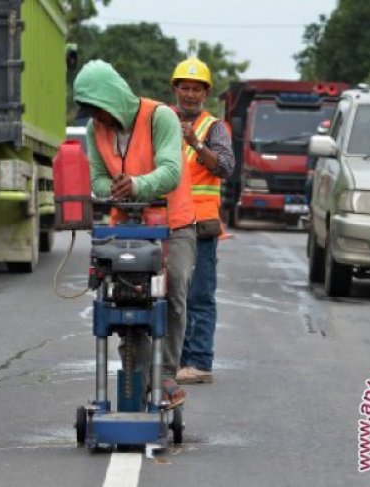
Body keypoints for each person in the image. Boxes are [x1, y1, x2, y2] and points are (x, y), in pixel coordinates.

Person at [73, 60, 196, 407]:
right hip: (126, 225)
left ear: (113, 99)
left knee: (172, 288)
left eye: (99, 110)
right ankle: (137, 375)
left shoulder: (161, 118)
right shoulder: (95, 132)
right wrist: (114, 188)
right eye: (92, 113)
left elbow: (171, 170)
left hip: (173, 223)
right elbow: (97, 176)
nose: (97, 119)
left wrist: (138, 185)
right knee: (127, 295)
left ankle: (167, 374)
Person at [170, 58, 235, 385]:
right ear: (175, 89)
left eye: (197, 89)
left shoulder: (214, 128)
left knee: (198, 296)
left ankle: (199, 361)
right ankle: (174, 360)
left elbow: (225, 167)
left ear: (205, 93)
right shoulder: (162, 120)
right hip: (166, 221)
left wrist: (196, 143)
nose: (190, 94)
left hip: (201, 225)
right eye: (185, 88)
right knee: (169, 294)